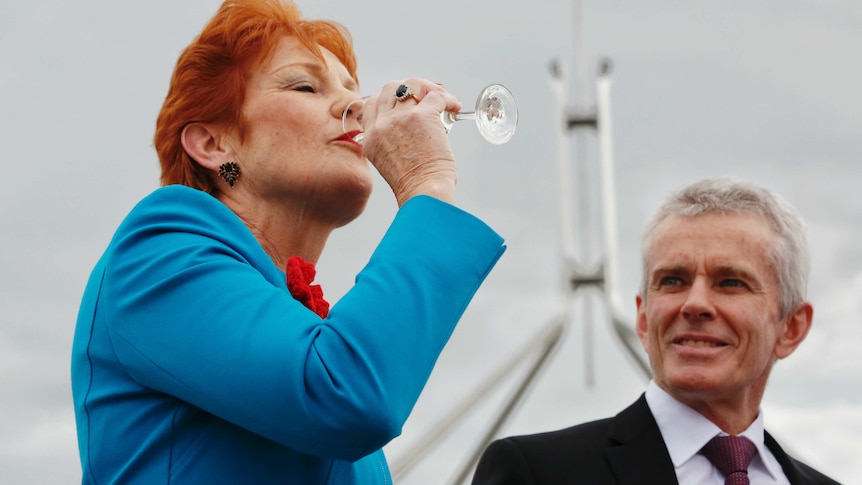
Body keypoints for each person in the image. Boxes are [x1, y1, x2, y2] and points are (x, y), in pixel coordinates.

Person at [70, 0, 506, 483]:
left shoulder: (307, 329)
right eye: (305, 85)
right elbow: (346, 394)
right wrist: (426, 182)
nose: (353, 107)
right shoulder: (158, 250)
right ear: (215, 145)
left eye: (351, 90)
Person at [472, 178, 840, 484]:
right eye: (673, 280)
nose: (695, 304)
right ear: (644, 319)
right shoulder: (538, 474)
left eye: (729, 282)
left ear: (791, 327)